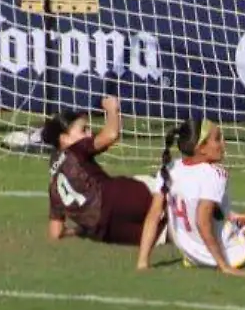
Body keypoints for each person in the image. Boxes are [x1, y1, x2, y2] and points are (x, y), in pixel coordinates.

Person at [138, 119, 245, 275]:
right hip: (235, 256)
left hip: (193, 257)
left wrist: (143, 262)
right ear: (201, 148)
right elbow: (202, 222)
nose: (224, 144)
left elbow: (154, 216)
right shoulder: (214, 173)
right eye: (217, 139)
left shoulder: (169, 169)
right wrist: (224, 266)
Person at [43, 95, 160, 247]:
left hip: (102, 230)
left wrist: (79, 230)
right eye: (83, 130)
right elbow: (111, 135)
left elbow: (55, 232)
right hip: (114, 198)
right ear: (64, 138)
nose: (89, 134)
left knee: (159, 234)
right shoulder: (74, 150)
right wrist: (112, 109)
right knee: (164, 190)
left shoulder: (54, 186)